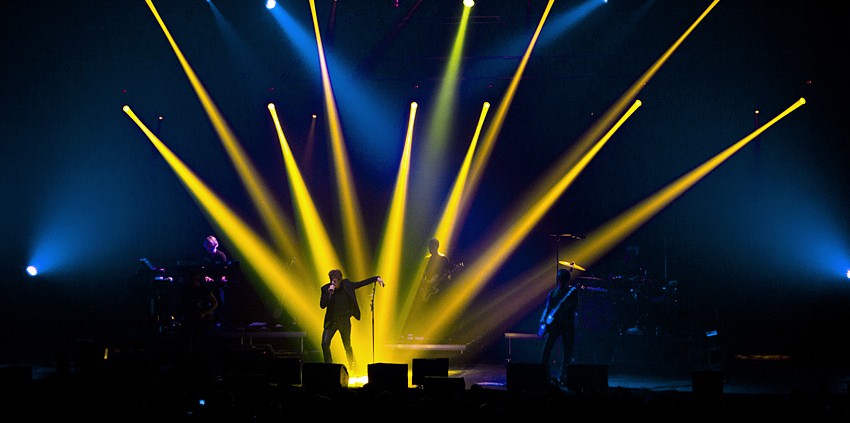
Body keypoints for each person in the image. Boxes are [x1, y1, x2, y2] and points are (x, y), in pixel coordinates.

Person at [320, 269, 385, 373]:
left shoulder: (347, 285)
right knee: (324, 343)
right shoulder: (325, 289)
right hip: (331, 323)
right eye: (332, 281)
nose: (333, 283)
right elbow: (322, 305)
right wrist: (329, 293)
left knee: (347, 346)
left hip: (344, 322)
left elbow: (361, 283)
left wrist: (376, 278)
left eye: (335, 281)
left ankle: (353, 367)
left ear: (340, 280)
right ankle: (329, 366)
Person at [539, 267, 580, 386]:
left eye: (563, 279)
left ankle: (563, 377)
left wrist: (567, 305)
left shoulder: (572, 292)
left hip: (567, 326)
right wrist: (542, 319)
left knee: (567, 353)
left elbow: (576, 308)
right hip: (554, 326)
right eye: (560, 279)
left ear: (567, 280)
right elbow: (547, 308)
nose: (560, 281)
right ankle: (542, 375)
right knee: (546, 350)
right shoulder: (552, 293)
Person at [200, 235, 229, 327]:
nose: (209, 248)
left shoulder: (221, 255)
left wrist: (222, 277)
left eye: (210, 246)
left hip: (218, 283)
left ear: (215, 245)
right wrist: (205, 277)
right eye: (207, 246)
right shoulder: (204, 256)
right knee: (207, 301)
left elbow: (225, 269)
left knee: (220, 302)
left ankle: (220, 321)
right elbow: (201, 269)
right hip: (208, 283)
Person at [418, 238, 457, 303]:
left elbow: (448, 273)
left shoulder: (443, 259)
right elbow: (422, 274)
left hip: (440, 291)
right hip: (429, 290)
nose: (429, 248)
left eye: (431, 246)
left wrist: (442, 279)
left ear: (436, 246)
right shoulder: (427, 260)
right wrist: (424, 283)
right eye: (429, 246)